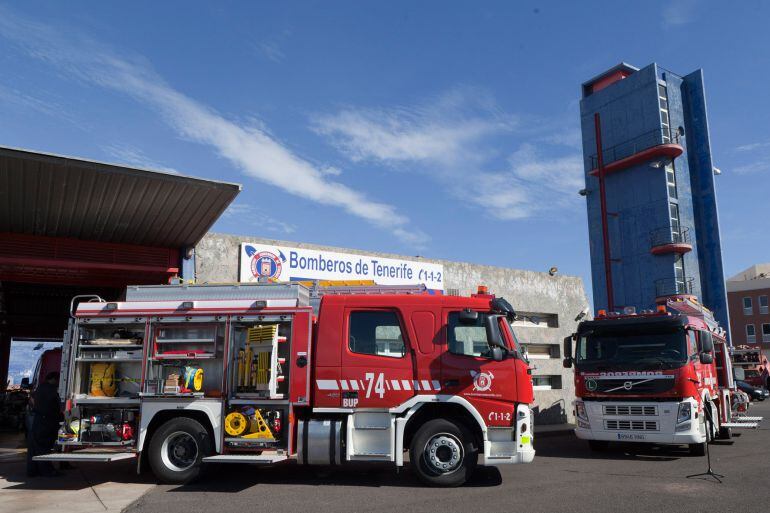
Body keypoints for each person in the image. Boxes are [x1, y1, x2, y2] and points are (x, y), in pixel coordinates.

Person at [26, 372, 63, 477]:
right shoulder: (51, 390)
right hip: (46, 422)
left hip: (38, 420)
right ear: (52, 379)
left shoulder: (40, 388)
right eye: (57, 380)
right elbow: (56, 406)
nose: (58, 382)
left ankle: (33, 471)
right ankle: (47, 471)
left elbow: (32, 401)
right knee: (43, 447)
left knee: (35, 448)